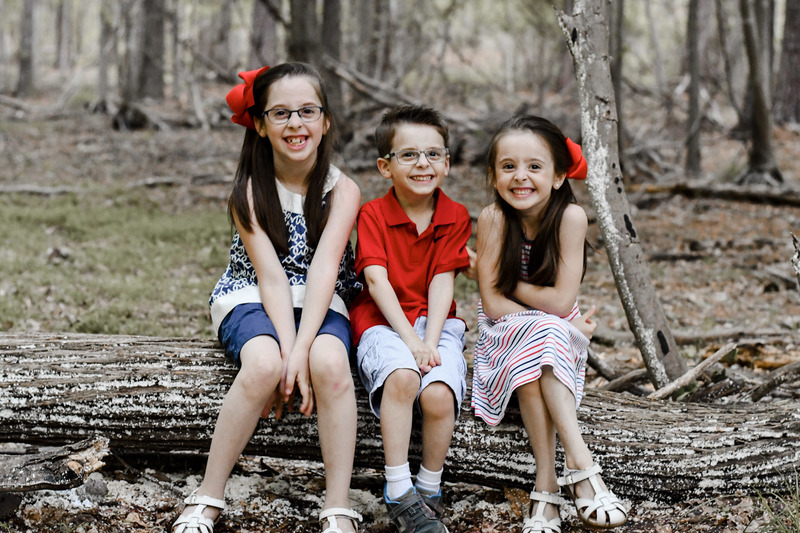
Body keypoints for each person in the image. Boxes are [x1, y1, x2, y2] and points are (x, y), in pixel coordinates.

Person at [172, 63, 363, 533]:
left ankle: (337, 506)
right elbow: (273, 279)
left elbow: (323, 272)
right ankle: (208, 496)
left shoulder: (343, 191)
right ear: (260, 124)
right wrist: (285, 353)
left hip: (323, 299)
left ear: (326, 120)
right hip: (253, 295)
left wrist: (301, 351)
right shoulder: (250, 192)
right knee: (263, 365)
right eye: (280, 113)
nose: (295, 124)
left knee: (332, 365)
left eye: (307, 111)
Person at [471, 115, 628, 532]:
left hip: (555, 332)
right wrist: (551, 320)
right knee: (542, 335)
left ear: (559, 175)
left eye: (534, 166)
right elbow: (491, 302)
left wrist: (510, 282)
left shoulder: (570, 218)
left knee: (544, 338)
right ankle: (583, 468)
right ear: (493, 175)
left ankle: (547, 488)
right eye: (508, 167)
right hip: (503, 330)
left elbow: (561, 300)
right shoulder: (492, 218)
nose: (520, 177)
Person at [349, 105, 472, 533]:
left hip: (436, 323)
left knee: (438, 395)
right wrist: (412, 343)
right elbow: (377, 283)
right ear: (386, 166)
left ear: (447, 163)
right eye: (409, 155)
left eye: (434, 154)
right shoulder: (372, 215)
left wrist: (432, 342)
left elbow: (443, 280)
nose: (424, 164)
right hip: (383, 320)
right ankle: (399, 489)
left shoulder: (454, 215)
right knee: (402, 378)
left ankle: (429, 487)